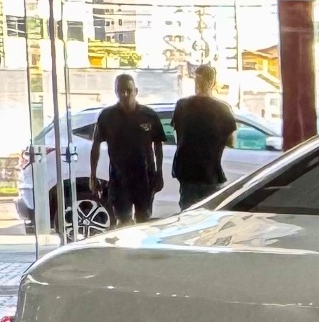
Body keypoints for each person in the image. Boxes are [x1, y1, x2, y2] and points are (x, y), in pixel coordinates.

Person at [90, 73, 166, 226]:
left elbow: (158, 145)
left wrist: (159, 172)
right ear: (116, 92)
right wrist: (93, 175)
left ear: (136, 91)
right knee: (123, 222)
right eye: (121, 91)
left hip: (145, 177)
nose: (125, 94)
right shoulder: (107, 116)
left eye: (129, 90)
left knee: (144, 220)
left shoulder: (149, 115)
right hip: (119, 179)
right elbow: (95, 145)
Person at [170, 63, 238, 210]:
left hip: (187, 173)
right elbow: (232, 141)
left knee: (188, 213)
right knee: (210, 214)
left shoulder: (182, 105)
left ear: (195, 80)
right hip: (210, 173)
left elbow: (177, 135)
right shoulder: (222, 109)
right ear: (212, 82)